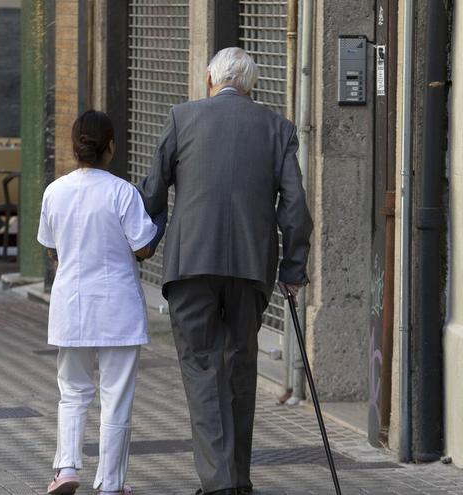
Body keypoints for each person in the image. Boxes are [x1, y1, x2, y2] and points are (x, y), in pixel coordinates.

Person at [139, 47, 313, 495]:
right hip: (251, 267)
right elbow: (294, 208)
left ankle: (218, 484)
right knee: (239, 367)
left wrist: (143, 244)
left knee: (201, 368)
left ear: (209, 80)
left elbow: (153, 192)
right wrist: (293, 268)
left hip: (191, 263)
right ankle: (237, 480)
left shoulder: (182, 117)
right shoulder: (278, 128)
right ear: (251, 86)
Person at [39, 110, 158, 495]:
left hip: (71, 306)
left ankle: (67, 468)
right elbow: (143, 249)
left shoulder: (54, 192)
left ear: (74, 148)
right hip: (117, 308)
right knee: (116, 397)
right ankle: (110, 484)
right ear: (111, 147)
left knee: (72, 391)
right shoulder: (123, 192)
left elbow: (52, 249)